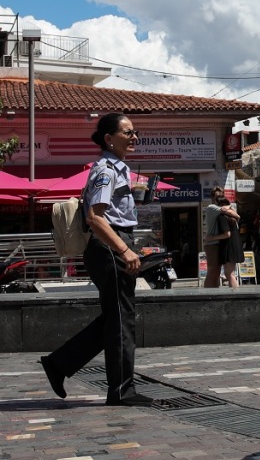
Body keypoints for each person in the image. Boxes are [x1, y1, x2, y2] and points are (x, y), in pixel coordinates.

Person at [41, 113, 154, 406]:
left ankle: (60, 363)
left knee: (116, 318)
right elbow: (95, 218)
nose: (134, 138)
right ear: (109, 138)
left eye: (135, 132)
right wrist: (124, 250)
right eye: (128, 133)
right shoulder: (106, 170)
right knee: (121, 320)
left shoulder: (118, 169)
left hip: (112, 244)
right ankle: (120, 391)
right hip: (109, 247)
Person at [203, 186, 239, 288]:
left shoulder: (220, 209)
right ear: (213, 197)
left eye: (221, 195)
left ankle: (214, 293)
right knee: (212, 271)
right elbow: (228, 210)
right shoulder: (212, 207)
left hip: (219, 242)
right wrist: (231, 206)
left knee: (217, 272)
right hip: (212, 244)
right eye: (217, 196)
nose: (219, 198)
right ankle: (208, 294)